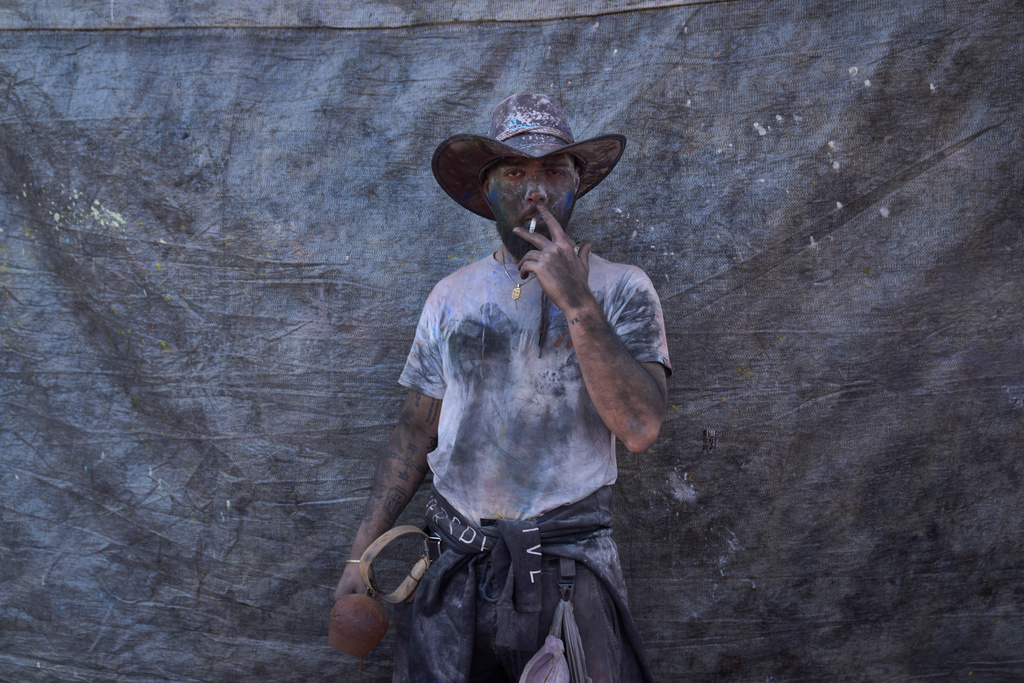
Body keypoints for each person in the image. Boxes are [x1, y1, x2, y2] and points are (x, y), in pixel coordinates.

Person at [334, 93, 670, 683]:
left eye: (552, 171)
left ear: (576, 185)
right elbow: (416, 430)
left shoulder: (622, 290)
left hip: (567, 575)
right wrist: (360, 556)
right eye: (515, 172)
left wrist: (577, 301)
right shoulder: (451, 296)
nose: (535, 189)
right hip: (456, 568)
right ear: (486, 190)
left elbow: (640, 428)